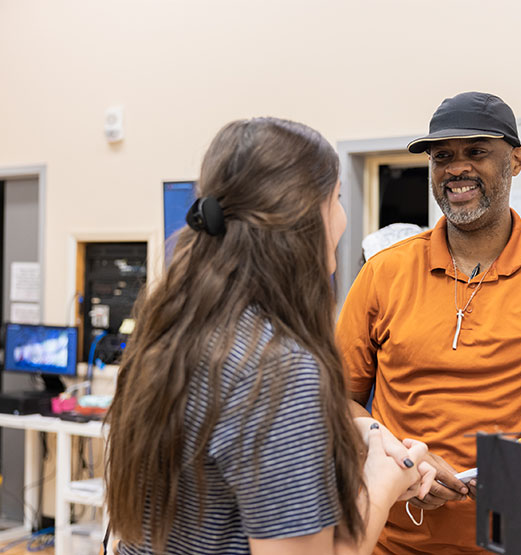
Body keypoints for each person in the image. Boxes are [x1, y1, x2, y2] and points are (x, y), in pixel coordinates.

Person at [104, 118, 435, 555]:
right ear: (303, 217)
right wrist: (383, 482)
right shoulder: (279, 369)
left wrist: (345, 432)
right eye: (335, 200)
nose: (342, 219)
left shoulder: (171, 325)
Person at [337, 92, 521, 554]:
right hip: (394, 542)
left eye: (476, 152)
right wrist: (395, 456)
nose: (455, 169)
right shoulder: (382, 274)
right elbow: (338, 403)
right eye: (442, 156)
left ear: (516, 159)